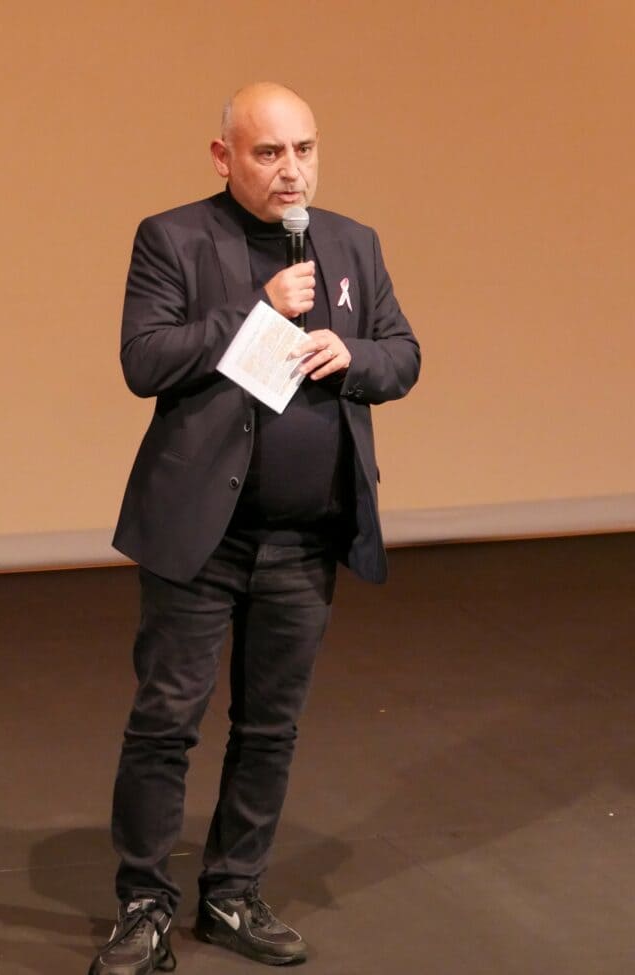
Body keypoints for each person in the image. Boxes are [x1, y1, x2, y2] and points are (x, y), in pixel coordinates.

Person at [90, 82, 420, 975]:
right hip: (203, 534)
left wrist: (356, 355)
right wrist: (258, 311)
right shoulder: (174, 238)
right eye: (269, 152)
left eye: (304, 149)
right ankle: (144, 905)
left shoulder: (352, 242)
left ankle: (233, 891)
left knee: (270, 726)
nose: (291, 170)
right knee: (166, 721)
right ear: (223, 156)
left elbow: (404, 353)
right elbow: (144, 359)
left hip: (304, 538)